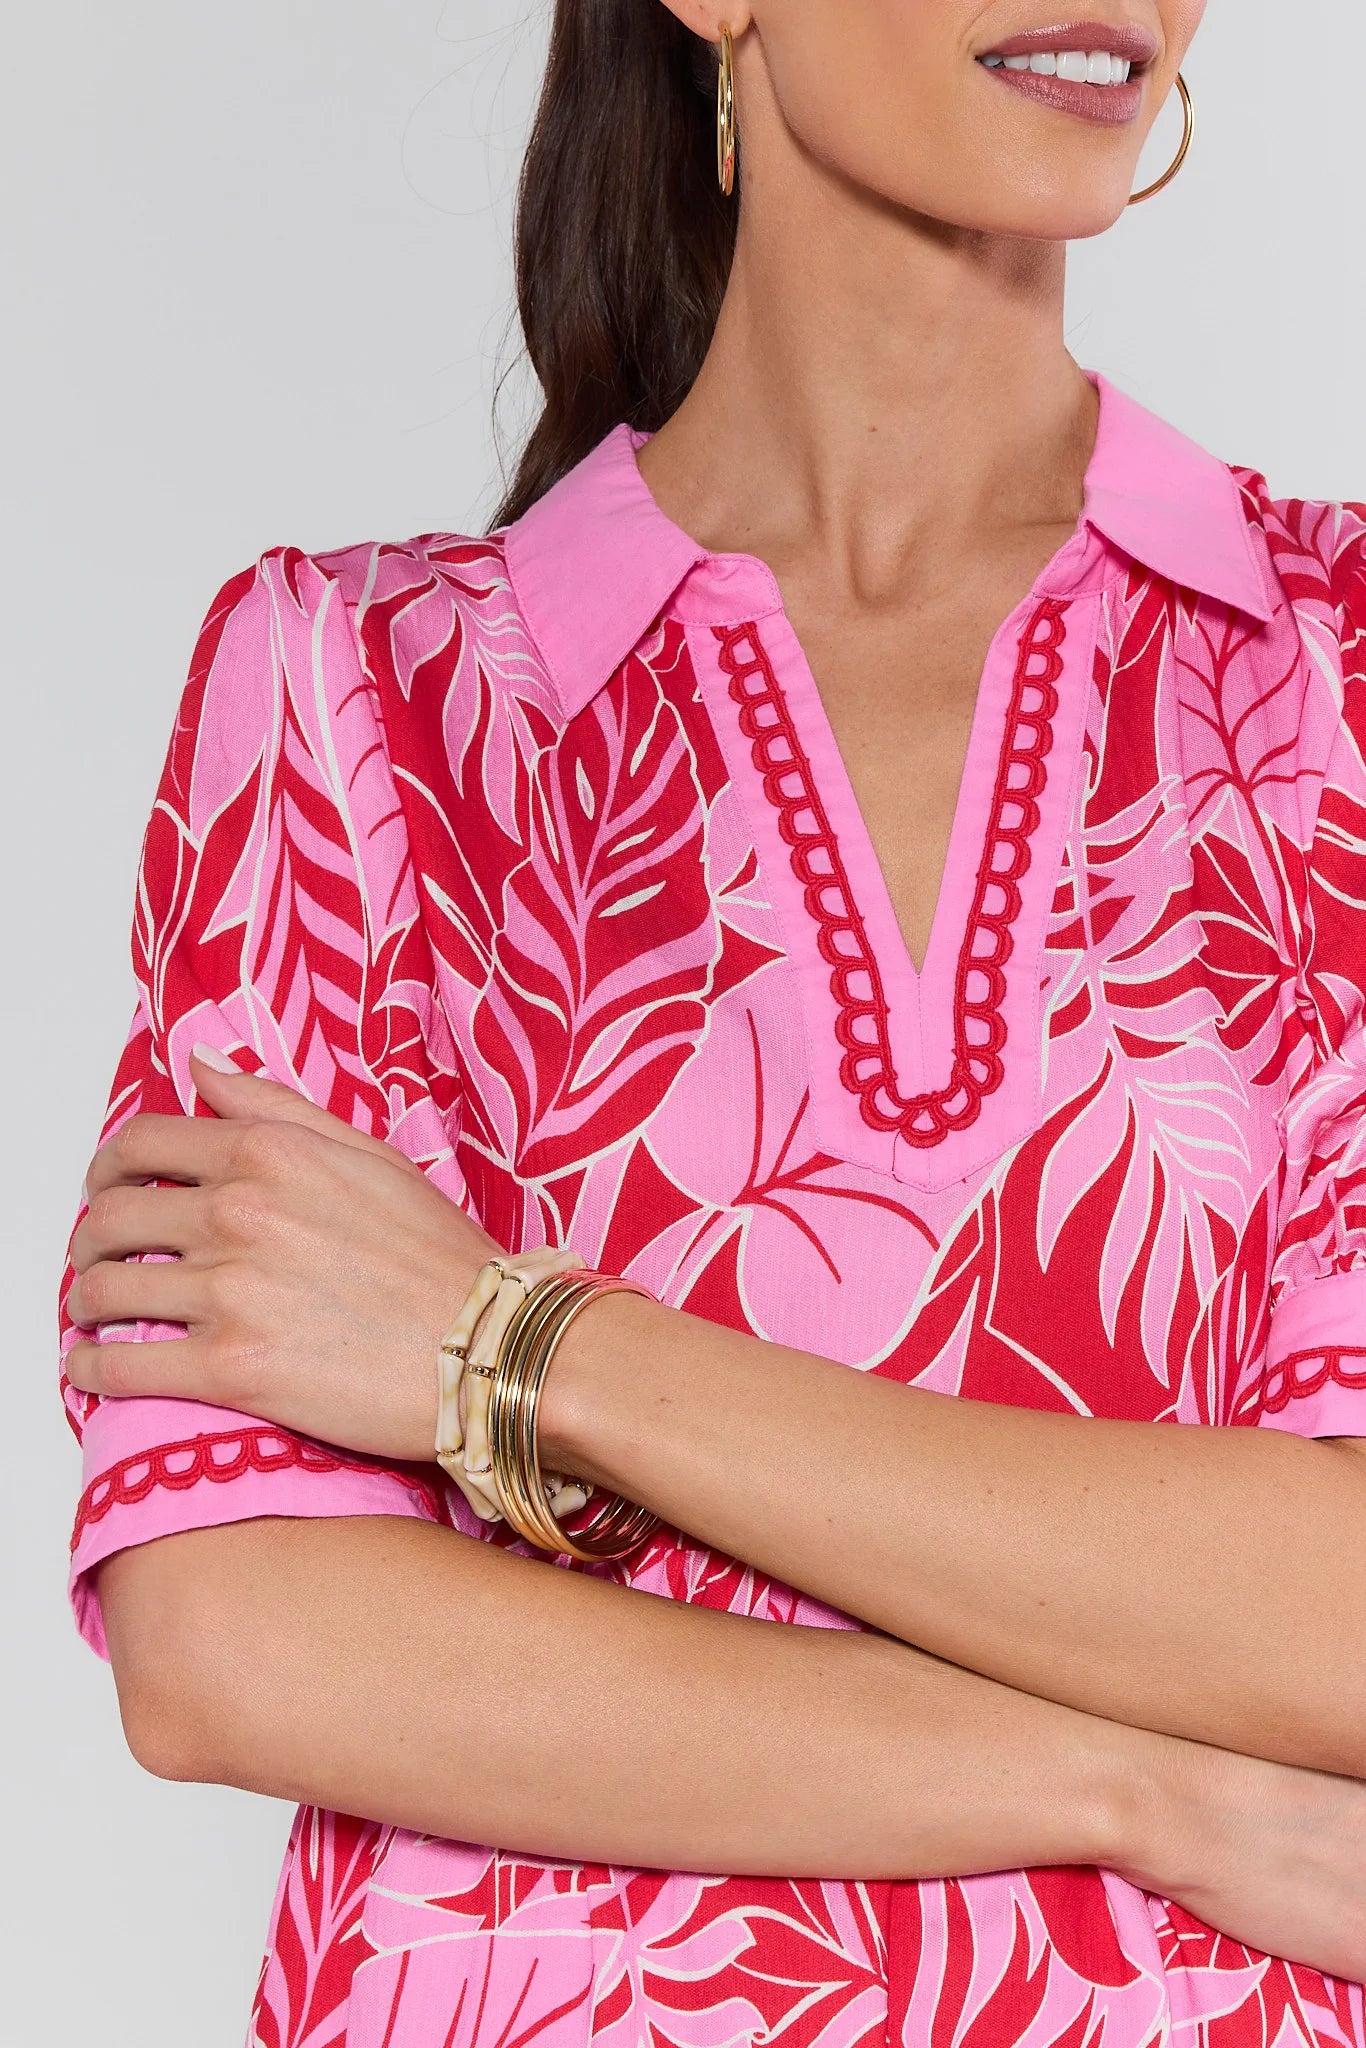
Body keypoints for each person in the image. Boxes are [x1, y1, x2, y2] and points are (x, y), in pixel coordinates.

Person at [58, 2, 1366, 2042]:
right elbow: (239, 1635)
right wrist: (1142, 1781)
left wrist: (521, 1348)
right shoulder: (355, 697)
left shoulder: (1330, 683)